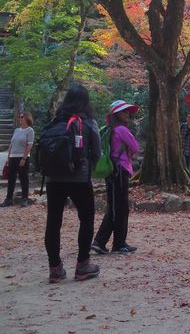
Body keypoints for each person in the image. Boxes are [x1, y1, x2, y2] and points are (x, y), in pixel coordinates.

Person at [44, 85, 102, 283]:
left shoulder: (54, 122)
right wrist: (87, 167)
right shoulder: (88, 122)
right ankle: (83, 265)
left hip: (53, 178)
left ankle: (55, 268)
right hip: (79, 178)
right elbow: (97, 152)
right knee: (86, 218)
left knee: (53, 222)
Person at [91, 99, 140, 255]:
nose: (128, 114)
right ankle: (113, 243)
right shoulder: (121, 130)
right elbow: (136, 147)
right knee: (119, 208)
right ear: (117, 114)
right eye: (125, 112)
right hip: (120, 171)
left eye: (128, 112)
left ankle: (105, 242)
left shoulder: (109, 129)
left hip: (112, 171)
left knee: (116, 207)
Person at [0, 111, 35, 208]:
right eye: (19, 117)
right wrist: (8, 157)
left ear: (27, 118)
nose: (20, 118)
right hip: (12, 157)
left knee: (24, 178)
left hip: (22, 157)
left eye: (22, 117)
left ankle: (24, 199)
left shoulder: (30, 130)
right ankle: (8, 199)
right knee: (11, 179)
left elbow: (30, 145)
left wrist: (24, 158)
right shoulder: (16, 130)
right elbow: (12, 144)